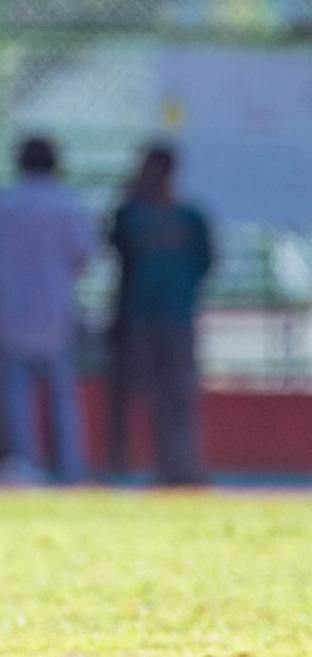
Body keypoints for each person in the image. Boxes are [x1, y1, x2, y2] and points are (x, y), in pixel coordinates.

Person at [0, 137, 94, 484]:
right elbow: (82, 256)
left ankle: (27, 466)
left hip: (13, 309)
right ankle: (72, 468)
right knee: (64, 395)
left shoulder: (7, 204)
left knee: (17, 394)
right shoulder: (68, 203)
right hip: (56, 309)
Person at [108, 144, 212, 485]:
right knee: (134, 394)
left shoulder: (191, 217)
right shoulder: (131, 214)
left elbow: (205, 262)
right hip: (138, 318)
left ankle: (180, 467)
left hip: (177, 317)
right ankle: (122, 464)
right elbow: (115, 243)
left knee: (179, 394)